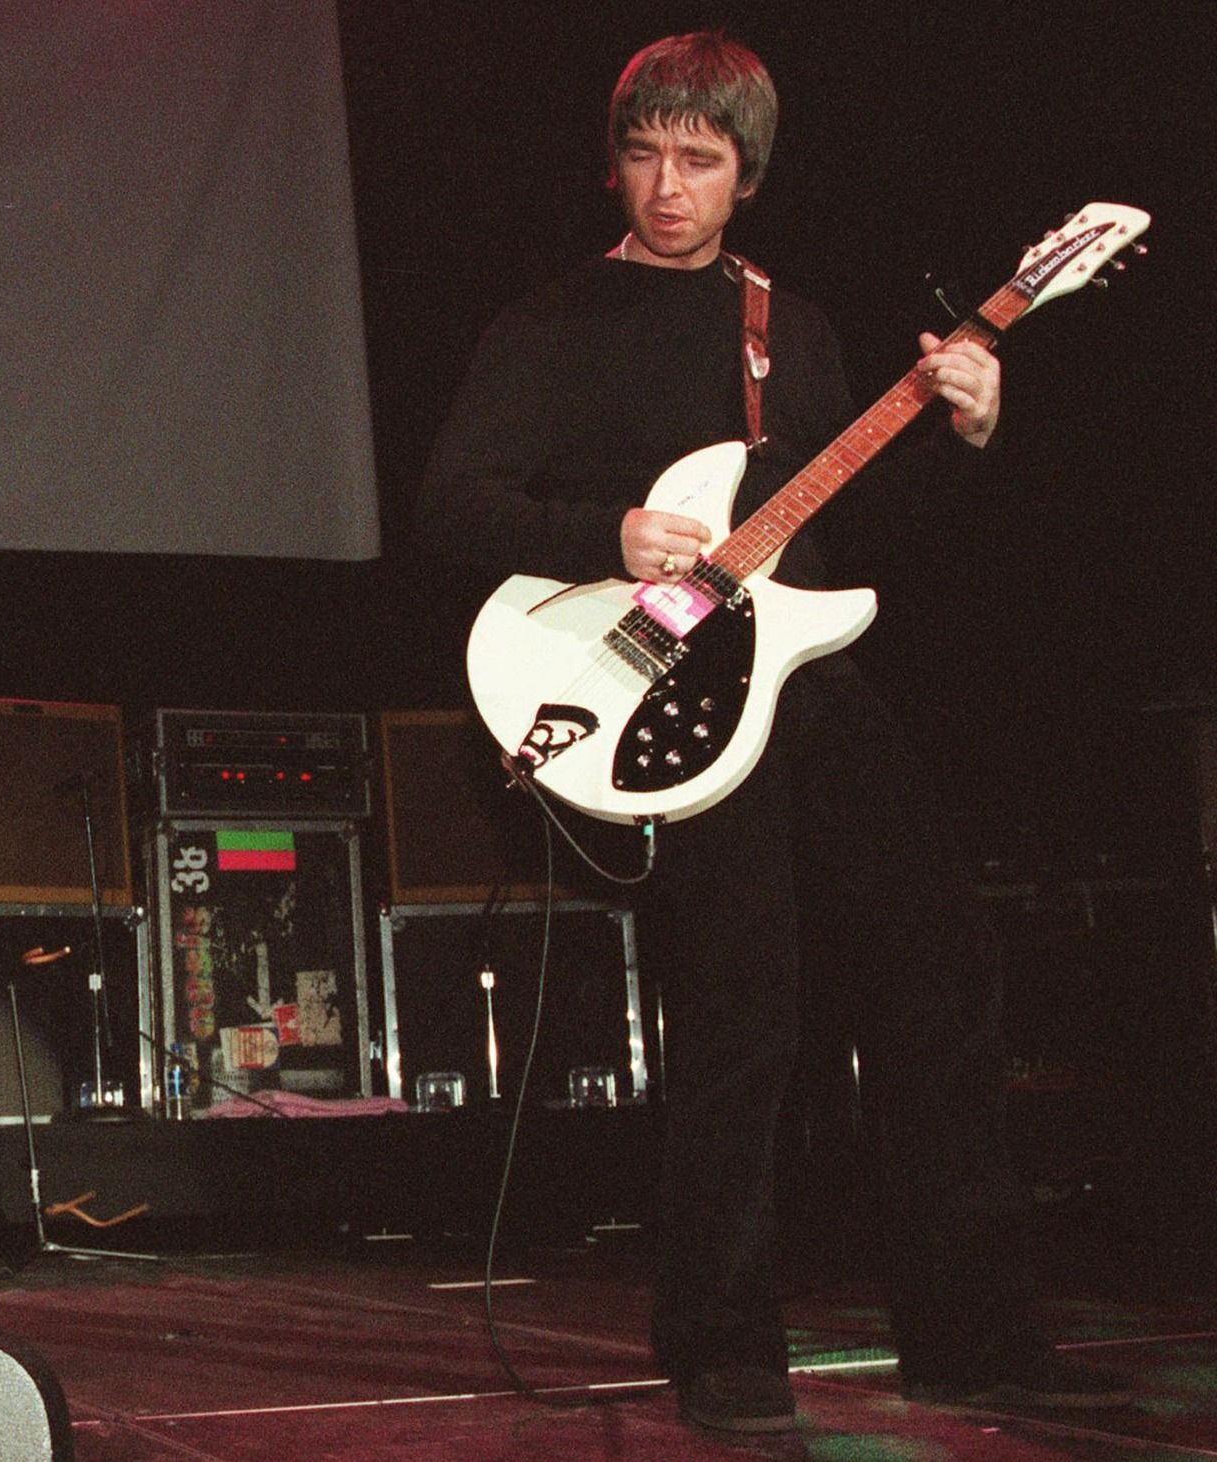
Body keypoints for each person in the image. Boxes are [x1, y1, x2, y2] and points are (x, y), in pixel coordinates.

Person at [416, 32, 1126, 1433]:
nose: (668, 187)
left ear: (748, 176)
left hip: (797, 670)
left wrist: (965, 426)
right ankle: (725, 1341)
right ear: (612, 159)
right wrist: (602, 532)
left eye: (702, 160)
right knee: (745, 1002)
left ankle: (973, 1331)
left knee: (943, 960)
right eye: (645, 154)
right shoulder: (547, 325)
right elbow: (449, 508)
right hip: (656, 693)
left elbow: (848, 535)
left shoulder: (785, 328)